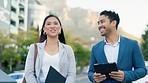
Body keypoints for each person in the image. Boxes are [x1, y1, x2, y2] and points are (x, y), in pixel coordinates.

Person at [88, 10, 147, 83]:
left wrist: (126, 75)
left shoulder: (132, 44)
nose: (99, 25)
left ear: (113, 23)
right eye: (98, 23)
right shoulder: (95, 48)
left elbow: (142, 70)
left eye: (102, 22)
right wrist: (94, 77)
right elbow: (90, 72)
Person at [24, 15, 76, 83]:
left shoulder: (68, 50)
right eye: (48, 24)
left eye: (55, 23)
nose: (52, 26)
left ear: (60, 28)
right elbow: (29, 73)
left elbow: (71, 74)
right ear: (44, 29)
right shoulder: (34, 48)